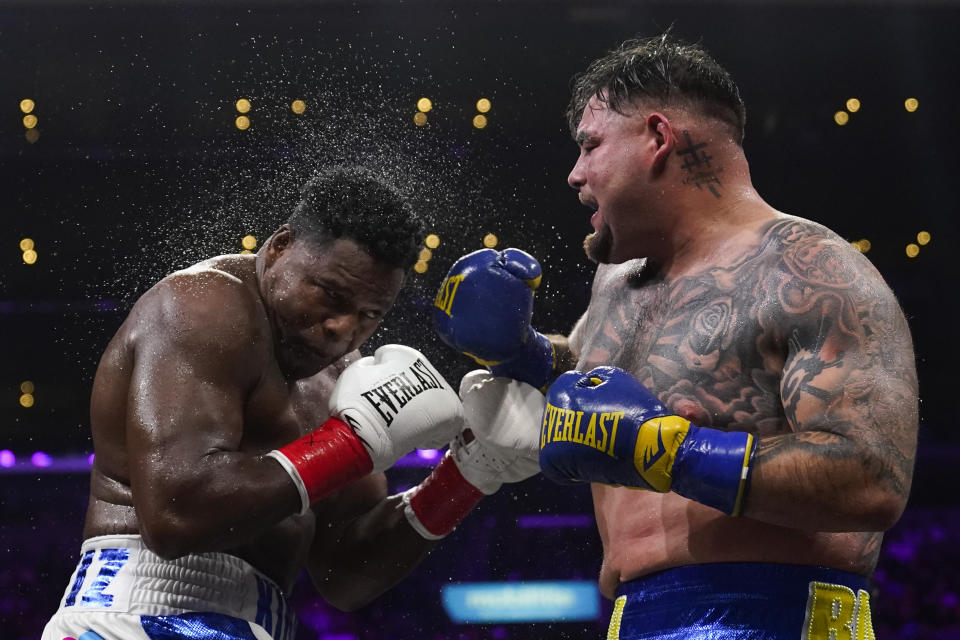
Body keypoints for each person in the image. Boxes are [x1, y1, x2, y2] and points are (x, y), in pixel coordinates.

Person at [434, 32, 918, 639]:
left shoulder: (807, 268)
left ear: (658, 139)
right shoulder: (617, 283)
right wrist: (521, 352)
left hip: (775, 614)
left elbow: (873, 477)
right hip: (630, 615)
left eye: (590, 146)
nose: (574, 173)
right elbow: (594, 399)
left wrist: (668, 451)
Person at [42, 166, 540, 640]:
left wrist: (468, 475)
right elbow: (174, 517)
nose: (343, 329)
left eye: (370, 314)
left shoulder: (345, 378)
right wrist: (350, 443)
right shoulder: (204, 308)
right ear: (280, 248)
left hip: (263, 621)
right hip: (140, 614)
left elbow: (344, 575)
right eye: (329, 294)